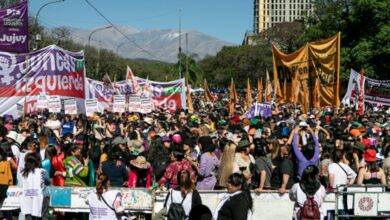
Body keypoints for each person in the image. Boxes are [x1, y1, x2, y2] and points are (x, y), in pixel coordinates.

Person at [19, 152, 50, 220]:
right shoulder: (42, 171)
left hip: (27, 196)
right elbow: (48, 182)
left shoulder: (24, 173)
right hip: (42, 196)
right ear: (38, 161)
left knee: (28, 214)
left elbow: (21, 184)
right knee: (42, 216)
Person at [0, 147, 13, 219]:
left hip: (4, 186)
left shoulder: (6, 163)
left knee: (4, 203)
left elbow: (10, 176)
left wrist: (11, 186)